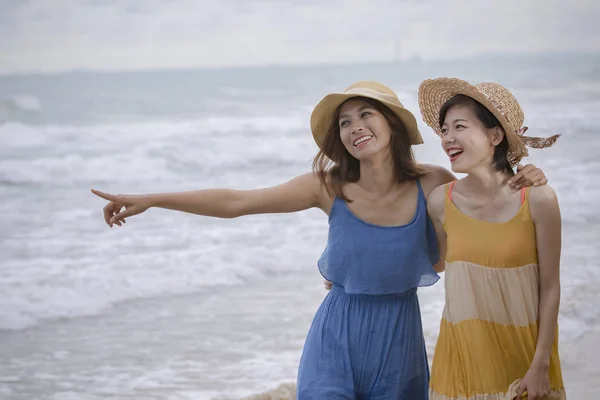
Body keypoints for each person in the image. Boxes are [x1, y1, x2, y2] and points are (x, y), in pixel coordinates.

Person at [92, 81, 547, 399]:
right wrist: (151, 198)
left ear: (391, 124)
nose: (355, 127)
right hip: (335, 332)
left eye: (366, 114)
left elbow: (478, 225)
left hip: (399, 338)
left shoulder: (433, 183)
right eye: (345, 122)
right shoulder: (326, 186)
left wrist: (523, 174)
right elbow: (237, 202)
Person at [418, 78, 566, 400]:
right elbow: (436, 262)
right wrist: (352, 270)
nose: (448, 138)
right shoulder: (440, 201)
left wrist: (540, 366)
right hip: (461, 359)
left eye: (459, 126)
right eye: (444, 130)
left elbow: (551, 286)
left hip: (524, 359)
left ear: (495, 135)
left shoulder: (538, 199)